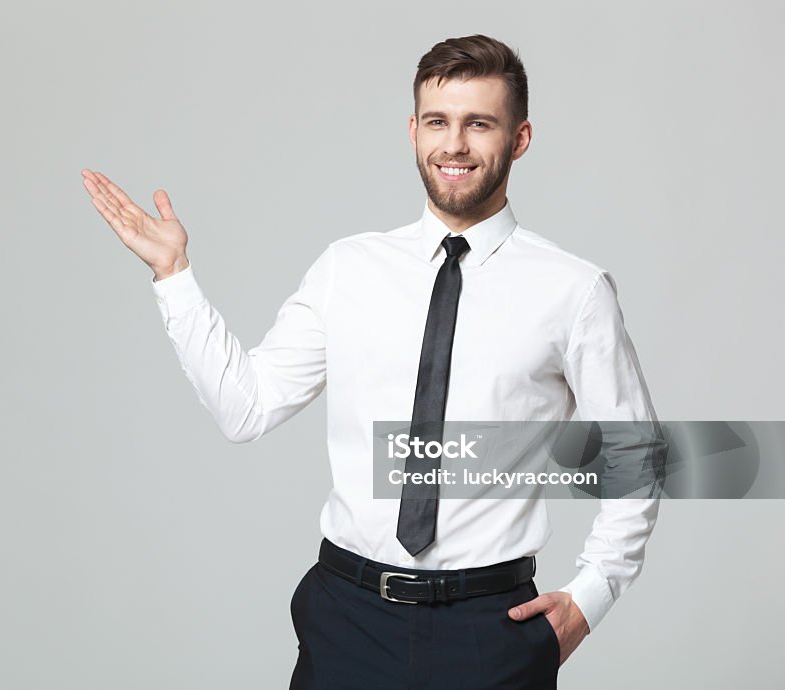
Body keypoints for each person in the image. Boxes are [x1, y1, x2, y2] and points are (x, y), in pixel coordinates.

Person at [82, 33, 662, 690]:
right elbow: (246, 407)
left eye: (480, 124)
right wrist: (174, 275)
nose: (455, 145)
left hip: (490, 630)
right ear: (413, 131)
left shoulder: (573, 290)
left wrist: (590, 597)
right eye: (438, 122)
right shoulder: (347, 270)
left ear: (520, 138)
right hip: (348, 618)